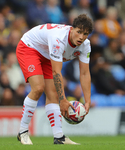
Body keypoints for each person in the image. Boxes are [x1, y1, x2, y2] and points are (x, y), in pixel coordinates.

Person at [16, 14, 93, 145]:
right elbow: (57, 72)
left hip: (46, 54)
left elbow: (85, 73)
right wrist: (63, 100)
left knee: (53, 94)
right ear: (71, 29)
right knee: (38, 88)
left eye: (85, 34)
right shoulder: (59, 38)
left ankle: (59, 137)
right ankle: (23, 132)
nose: (81, 37)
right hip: (30, 47)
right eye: (79, 32)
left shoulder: (85, 45)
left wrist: (87, 101)